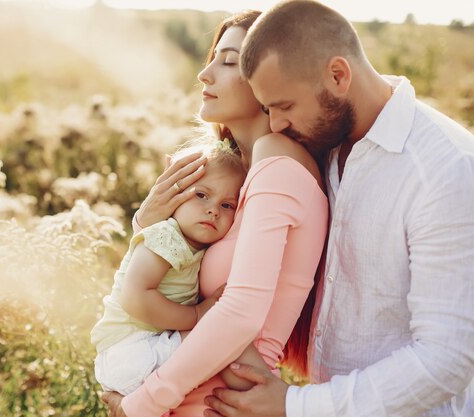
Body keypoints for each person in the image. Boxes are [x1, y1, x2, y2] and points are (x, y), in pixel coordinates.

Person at [202, 1, 474, 416]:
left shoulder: (444, 170)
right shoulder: (322, 148)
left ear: (338, 76)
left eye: (284, 106)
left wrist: (297, 406)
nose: (274, 124)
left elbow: (446, 358)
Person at [101, 9, 329, 417]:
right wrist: (146, 225)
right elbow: (152, 287)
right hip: (186, 393)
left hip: (215, 402)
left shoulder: (278, 160)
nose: (205, 75)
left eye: (228, 62)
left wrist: (141, 405)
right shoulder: (231, 174)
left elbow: (241, 311)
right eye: (212, 59)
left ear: (271, 81)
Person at [91, 137, 271, 395]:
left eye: (226, 205)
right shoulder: (166, 236)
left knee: (220, 339)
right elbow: (135, 298)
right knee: (217, 335)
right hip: (129, 350)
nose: (213, 210)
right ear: (175, 194)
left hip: (142, 349)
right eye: (201, 195)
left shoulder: (196, 246)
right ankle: (265, 394)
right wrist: (195, 316)